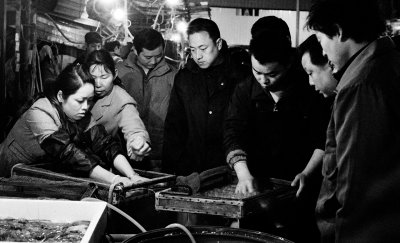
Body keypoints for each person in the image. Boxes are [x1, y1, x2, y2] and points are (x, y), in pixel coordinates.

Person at [306, 0, 400, 242]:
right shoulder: (385, 61)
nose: (323, 52)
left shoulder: (360, 84)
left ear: (338, 31)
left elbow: (356, 187)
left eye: (320, 40)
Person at [223, 29, 329, 242]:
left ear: (289, 63)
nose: (263, 80)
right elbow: (232, 132)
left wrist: (307, 173)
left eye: (272, 74)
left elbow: (323, 136)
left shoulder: (310, 88)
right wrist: (243, 174)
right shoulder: (244, 91)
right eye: (257, 71)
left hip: (299, 190)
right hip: (257, 191)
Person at [0, 63, 144, 186]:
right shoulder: (40, 111)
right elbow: (68, 153)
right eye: (80, 100)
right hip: (10, 169)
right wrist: (115, 179)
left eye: (89, 100)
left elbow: (105, 144)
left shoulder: (81, 113)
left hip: (42, 168)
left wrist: (132, 175)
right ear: (61, 96)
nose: (86, 107)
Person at [163, 18, 249, 176]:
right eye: (193, 49)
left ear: (219, 44)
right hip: (191, 169)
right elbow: (174, 126)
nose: (198, 56)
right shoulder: (185, 78)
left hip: (231, 168)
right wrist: (172, 170)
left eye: (203, 48)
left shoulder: (238, 76)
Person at [117, 28, 177, 171]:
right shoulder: (119, 72)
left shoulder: (173, 75)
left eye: (159, 55)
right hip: (125, 151)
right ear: (136, 52)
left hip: (160, 153)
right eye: (148, 57)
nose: (154, 61)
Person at [291, 34, 338, 198]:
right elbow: (323, 141)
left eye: (311, 72)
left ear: (330, 63)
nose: (311, 82)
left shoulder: (355, 94)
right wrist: (306, 173)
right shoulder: (328, 101)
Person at [86, 49, 151, 163]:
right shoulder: (80, 91)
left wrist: (138, 141)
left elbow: (134, 128)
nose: (98, 84)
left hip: (104, 165)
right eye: (93, 78)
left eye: (104, 77)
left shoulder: (122, 100)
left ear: (115, 74)